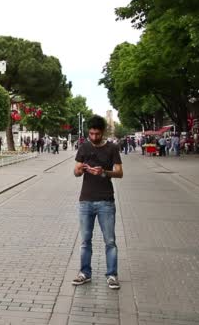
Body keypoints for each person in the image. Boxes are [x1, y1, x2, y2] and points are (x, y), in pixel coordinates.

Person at [72, 115, 123, 290]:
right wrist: (80, 169)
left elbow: (119, 172)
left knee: (110, 241)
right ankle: (84, 273)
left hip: (105, 201)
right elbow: (76, 172)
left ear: (103, 132)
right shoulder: (84, 147)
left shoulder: (112, 148)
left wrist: (104, 172)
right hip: (86, 200)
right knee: (85, 240)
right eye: (91, 134)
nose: (94, 137)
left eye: (97, 134)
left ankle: (112, 275)